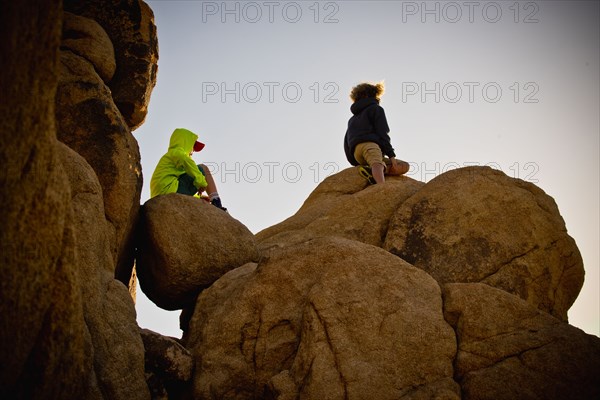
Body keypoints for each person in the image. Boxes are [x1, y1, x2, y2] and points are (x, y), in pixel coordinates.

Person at [343, 82, 409, 184]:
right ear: (369, 95)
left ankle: (372, 171)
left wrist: (355, 163)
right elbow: (383, 132)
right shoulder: (375, 109)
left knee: (404, 165)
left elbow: (346, 143)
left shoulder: (352, 119)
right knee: (377, 163)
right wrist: (391, 155)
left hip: (357, 155)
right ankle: (380, 187)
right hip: (370, 146)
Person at [150, 128, 226, 211]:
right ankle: (216, 201)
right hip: (170, 191)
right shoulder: (178, 153)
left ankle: (207, 200)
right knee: (203, 168)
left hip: (163, 193)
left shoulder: (170, 157)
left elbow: (181, 181)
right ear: (185, 143)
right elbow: (191, 167)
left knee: (201, 199)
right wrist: (202, 183)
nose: (193, 151)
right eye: (192, 147)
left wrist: (198, 197)